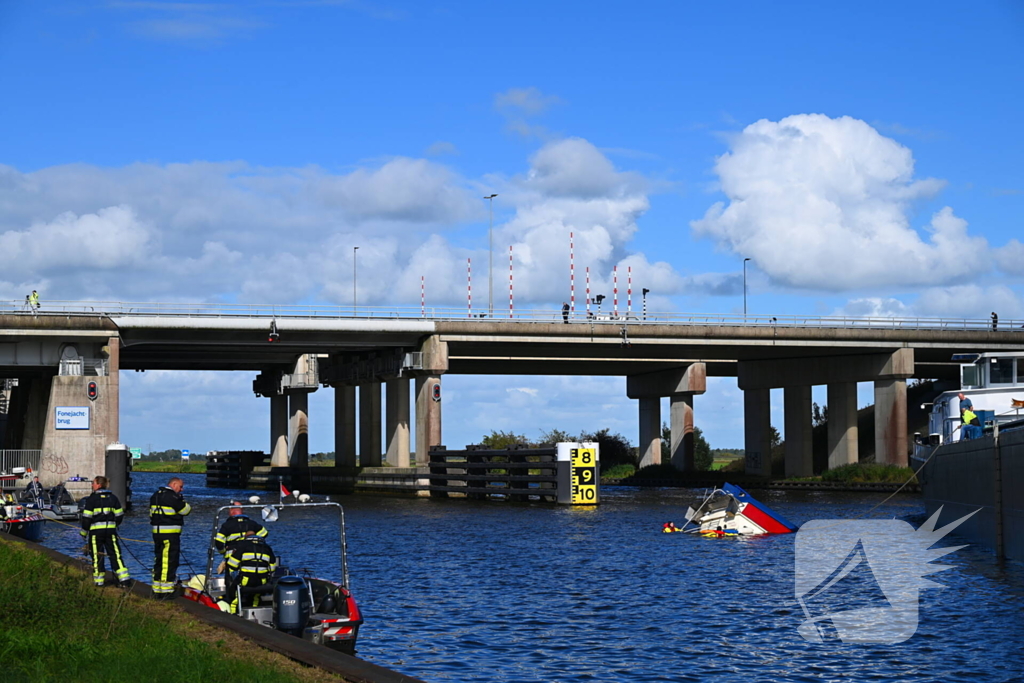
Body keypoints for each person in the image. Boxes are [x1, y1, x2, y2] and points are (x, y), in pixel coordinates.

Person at [80, 475, 130, 587]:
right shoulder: (113, 498)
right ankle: (124, 580)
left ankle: (99, 582)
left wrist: (83, 532)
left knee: (97, 556)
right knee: (116, 554)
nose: (92, 485)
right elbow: (120, 515)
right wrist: (114, 525)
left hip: (95, 533)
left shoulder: (92, 499)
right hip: (111, 532)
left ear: (98, 485)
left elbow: (86, 518)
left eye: (93, 483)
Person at [149, 476, 191, 599]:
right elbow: (186, 510)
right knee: (170, 561)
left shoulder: (155, 495)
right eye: (180, 486)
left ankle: (156, 588)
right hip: (170, 534)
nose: (182, 489)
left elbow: (151, 514)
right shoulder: (173, 497)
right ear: (173, 484)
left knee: (159, 560)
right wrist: (182, 500)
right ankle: (166, 591)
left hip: (157, 533)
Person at [224, 531, 277, 613]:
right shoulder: (267, 548)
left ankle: (233, 614)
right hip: (262, 581)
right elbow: (273, 568)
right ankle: (255, 609)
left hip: (246, 579)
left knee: (233, 592)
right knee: (256, 594)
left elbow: (232, 564)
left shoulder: (242, 546)